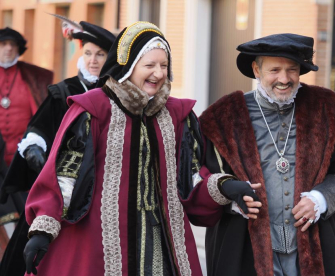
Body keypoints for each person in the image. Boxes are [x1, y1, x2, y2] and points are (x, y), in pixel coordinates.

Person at [23, 21, 232, 276]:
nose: (158, 73)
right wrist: (44, 227)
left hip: (162, 243)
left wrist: (224, 186)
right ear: (129, 66)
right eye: (149, 65)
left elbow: (190, 178)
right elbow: (65, 175)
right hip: (98, 243)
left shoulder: (177, 116)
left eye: (164, 66)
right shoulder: (93, 110)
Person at [199, 33, 335, 276]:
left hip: (311, 245)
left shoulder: (327, 110)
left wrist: (321, 198)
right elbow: (205, 178)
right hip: (244, 245)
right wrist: (232, 196)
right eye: (274, 70)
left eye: (292, 70)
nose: (284, 79)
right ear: (257, 70)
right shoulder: (223, 117)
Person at [0, 20, 115, 276]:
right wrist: (35, 150)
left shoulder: (116, 93)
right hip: (59, 186)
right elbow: (38, 128)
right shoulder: (64, 91)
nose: (93, 60)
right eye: (88, 53)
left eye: (100, 54)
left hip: (102, 190)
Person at [0, 27, 53, 166]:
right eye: (3, 44)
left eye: (13, 44)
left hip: (24, 152)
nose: (9, 48)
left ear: (19, 48)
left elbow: (42, 116)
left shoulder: (34, 77)